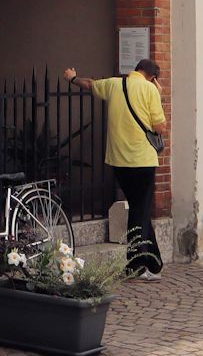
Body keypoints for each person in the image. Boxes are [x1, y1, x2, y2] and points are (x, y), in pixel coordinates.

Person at [63, 58, 167, 279]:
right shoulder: (150, 89)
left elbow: (90, 84)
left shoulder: (114, 84)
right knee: (140, 211)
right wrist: (159, 94)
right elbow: (160, 127)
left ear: (136, 70)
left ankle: (153, 261)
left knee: (140, 209)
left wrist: (72, 79)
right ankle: (136, 265)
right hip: (143, 160)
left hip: (119, 160)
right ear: (152, 76)